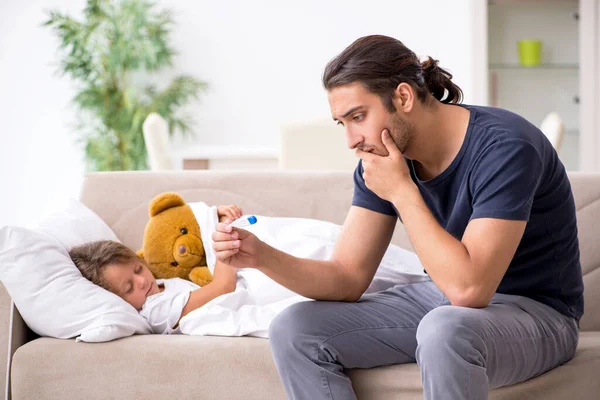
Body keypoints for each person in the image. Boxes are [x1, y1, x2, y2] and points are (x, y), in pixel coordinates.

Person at [211, 35, 583, 399]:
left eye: (359, 116)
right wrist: (261, 257)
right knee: (294, 328)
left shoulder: (505, 147)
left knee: (445, 329)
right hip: (441, 301)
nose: (352, 141)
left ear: (403, 97)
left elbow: (469, 290)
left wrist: (403, 191)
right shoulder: (380, 161)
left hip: (538, 314)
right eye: (343, 123)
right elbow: (347, 277)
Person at [69, 204, 242, 334]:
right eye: (129, 288)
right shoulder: (156, 311)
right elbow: (223, 288)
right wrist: (226, 234)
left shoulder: (160, 283)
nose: (142, 281)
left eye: (138, 269)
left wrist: (210, 219)